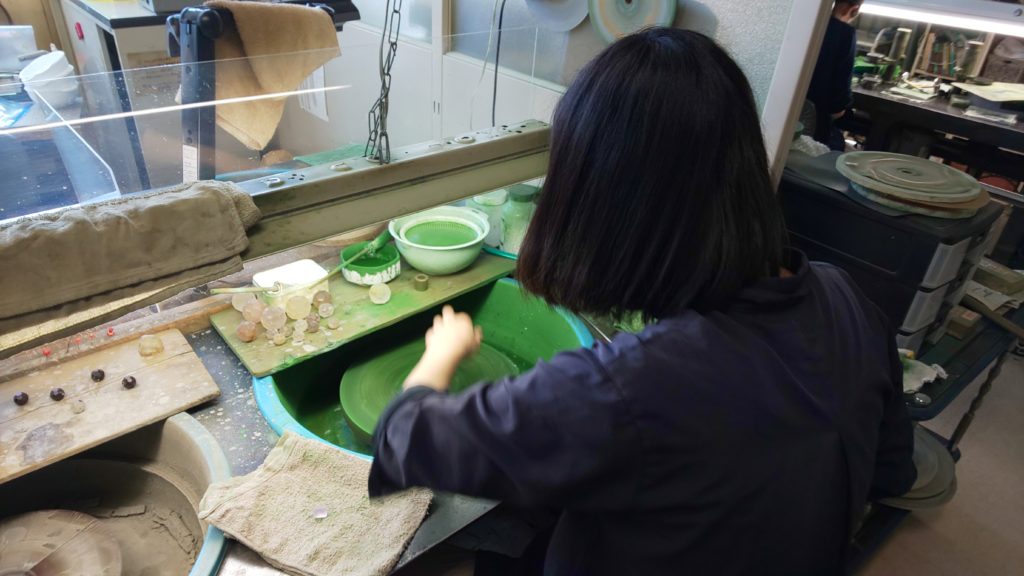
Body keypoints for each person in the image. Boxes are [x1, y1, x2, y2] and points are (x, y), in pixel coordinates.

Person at [369, 28, 916, 575]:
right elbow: (894, 472)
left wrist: (442, 352)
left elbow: (405, 440)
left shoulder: (633, 386)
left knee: (500, 541)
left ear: (599, 203)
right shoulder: (844, 295)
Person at [807, 0, 862, 150]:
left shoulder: (804, 22)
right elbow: (839, 99)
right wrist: (841, 107)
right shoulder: (844, 33)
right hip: (815, 125)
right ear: (853, 10)